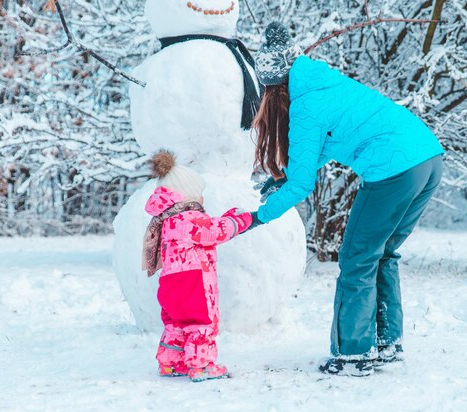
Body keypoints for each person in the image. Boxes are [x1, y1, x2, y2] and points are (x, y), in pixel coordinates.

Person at [247, 23, 445, 376]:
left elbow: (303, 186)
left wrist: (257, 216)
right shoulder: (320, 82)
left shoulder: (305, 103)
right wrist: (285, 179)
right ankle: (387, 342)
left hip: (394, 167)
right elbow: (323, 149)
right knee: (381, 253)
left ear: (272, 88)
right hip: (428, 158)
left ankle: (353, 354)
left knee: (357, 257)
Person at [142, 150, 252, 382]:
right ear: (186, 195)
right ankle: (201, 366)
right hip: (192, 281)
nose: (202, 199)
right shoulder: (188, 217)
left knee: (176, 323)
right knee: (200, 322)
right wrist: (239, 219)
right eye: (199, 194)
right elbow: (214, 231)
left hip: (170, 283)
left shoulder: (167, 219)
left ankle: (170, 363)